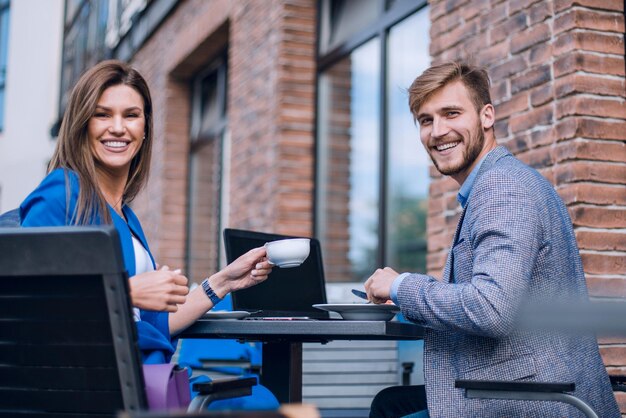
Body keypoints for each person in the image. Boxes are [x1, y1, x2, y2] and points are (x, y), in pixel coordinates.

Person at [364, 62, 619, 418]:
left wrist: (401, 285)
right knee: (390, 403)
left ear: (487, 116)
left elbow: (491, 309)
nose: (438, 131)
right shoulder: (498, 184)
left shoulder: (502, 188)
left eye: (451, 113)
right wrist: (409, 301)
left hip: (534, 400)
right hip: (530, 386)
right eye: (426, 120)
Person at [19, 60, 278, 408]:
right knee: (257, 402)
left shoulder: (126, 216)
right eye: (102, 114)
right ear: (82, 124)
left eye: (130, 115)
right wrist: (126, 291)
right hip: (96, 387)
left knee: (259, 396)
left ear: (144, 129)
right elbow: (25, 303)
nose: (117, 128)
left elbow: (157, 322)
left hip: (147, 379)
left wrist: (225, 282)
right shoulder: (62, 193)